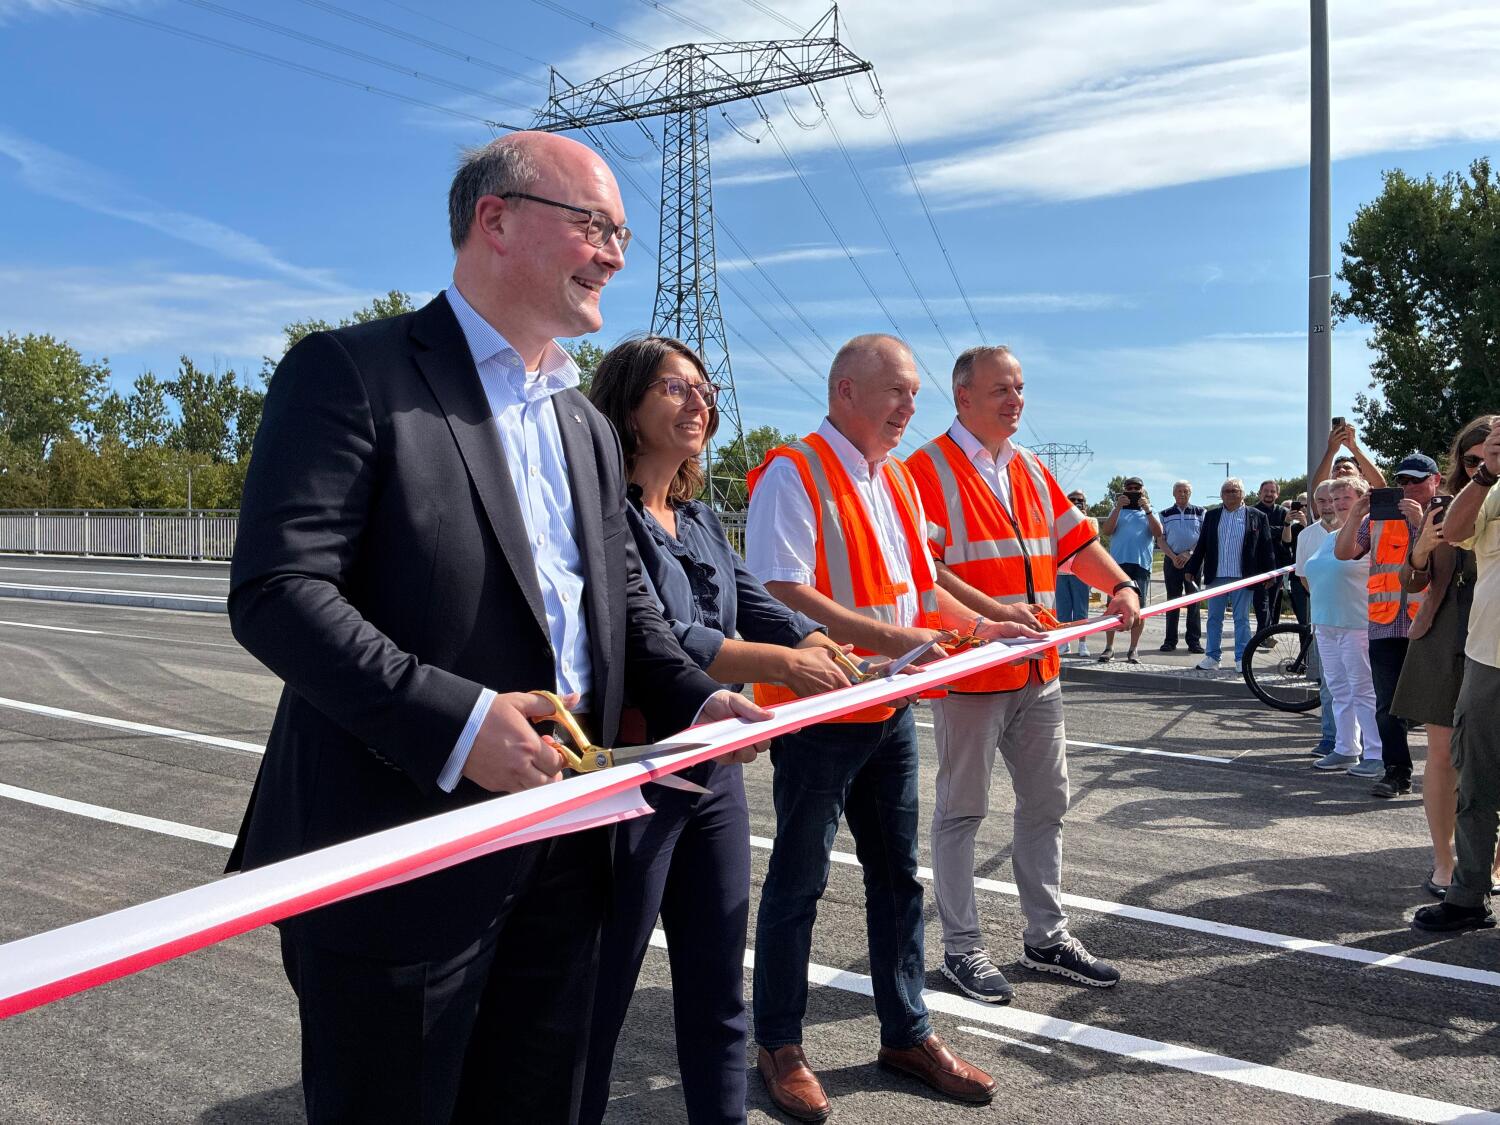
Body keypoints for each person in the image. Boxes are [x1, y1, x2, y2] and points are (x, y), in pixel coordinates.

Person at [225, 132, 768, 1125]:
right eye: (595, 226)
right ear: (497, 220)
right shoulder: (353, 371)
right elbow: (278, 590)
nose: (614, 254)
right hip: (398, 854)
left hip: (567, 853)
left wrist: (698, 696)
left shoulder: (585, 426)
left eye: (621, 233)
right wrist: (458, 724)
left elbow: (622, 610)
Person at [746, 334, 1042, 1121]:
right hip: (820, 716)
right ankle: (778, 1043)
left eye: (915, 394)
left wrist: (986, 620)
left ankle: (905, 1031)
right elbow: (780, 590)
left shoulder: (895, 480)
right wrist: (894, 643)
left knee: (895, 880)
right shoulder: (795, 470)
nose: (912, 407)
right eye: (897, 393)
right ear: (846, 391)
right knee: (799, 880)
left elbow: (924, 581)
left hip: (889, 712)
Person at [579, 336, 849, 1125]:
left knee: (716, 989)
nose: (699, 403)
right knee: (601, 995)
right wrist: (783, 661)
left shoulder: (696, 518)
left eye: (705, 390)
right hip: (635, 775)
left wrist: (812, 639)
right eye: (675, 388)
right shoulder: (609, 517)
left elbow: (753, 599)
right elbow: (661, 634)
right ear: (628, 404)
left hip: (714, 775)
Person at [907, 345, 1134, 1006]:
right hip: (972, 669)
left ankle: (1046, 935)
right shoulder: (924, 471)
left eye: (1021, 388)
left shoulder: (1030, 469)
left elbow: (1076, 545)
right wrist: (990, 617)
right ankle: (961, 948)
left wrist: (1118, 585)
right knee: (962, 809)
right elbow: (927, 571)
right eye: (1002, 389)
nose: (1016, 400)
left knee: (1046, 802)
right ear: (963, 399)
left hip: (1037, 671)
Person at [1394, 417, 1500, 884]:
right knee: (1440, 755)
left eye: (1488, 458)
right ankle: (1444, 859)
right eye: (1471, 460)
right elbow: (1413, 580)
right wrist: (1419, 550)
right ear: (1459, 464)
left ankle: (1492, 862)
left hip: (1492, 632)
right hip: (1444, 632)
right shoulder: (1443, 508)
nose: (1481, 465)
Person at [1334, 452, 1443, 794]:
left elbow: (1451, 558)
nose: (1409, 486)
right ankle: (1397, 772)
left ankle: (1449, 777)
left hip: (1429, 623)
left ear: (1435, 480)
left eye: (1417, 480)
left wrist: (1423, 520)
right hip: (1384, 624)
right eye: (1403, 481)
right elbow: (1343, 552)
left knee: (1438, 704)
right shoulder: (1379, 518)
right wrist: (1355, 515)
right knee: (1387, 705)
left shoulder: (1447, 513)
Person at [1302, 479, 1382, 775]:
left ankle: (1376, 753)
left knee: (1363, 689)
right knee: (1338, 689)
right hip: (1326, 623)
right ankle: (1346, 748)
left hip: (1357, 622)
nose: (1338, 503)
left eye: (1346, 497)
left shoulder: (1373, 532)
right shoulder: (1331, 536)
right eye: (1334, 498)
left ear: (1362, 498)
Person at [1190, 478, 1274, 671]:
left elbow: (1266, 546)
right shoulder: (1211, 516)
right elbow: (1202, 545)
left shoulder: (1257, 516)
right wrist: (1191, 569)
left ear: (1243, 494)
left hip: (1243, 577)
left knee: (1242, 619)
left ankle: (1241, 658)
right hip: (1216, 576)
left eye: (1234, 491)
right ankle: (1212, 657)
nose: (1230, 494)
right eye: (1227, 491)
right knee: (1213, 618)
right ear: (1221, 495)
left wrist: (1271, 574)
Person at [1293, 481, 1342, 758]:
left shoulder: (1358, 530)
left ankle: (1365, 743)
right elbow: (1303, 577)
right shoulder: (1307, 536)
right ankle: (1330, 738)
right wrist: (1325, 597)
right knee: (1329, 683)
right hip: (1324, 616)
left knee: (1360, 685)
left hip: (1357, 617)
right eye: (1320, 501)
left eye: (1331, 500)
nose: (1326, 506)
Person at [1097, 475, 1161, 663]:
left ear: (1143, 490)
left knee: (1139, 610)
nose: (1133, 492)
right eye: (1129, 489)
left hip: (1141, 565)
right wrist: (1117, 507)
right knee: (1113, 607)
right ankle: (1109, 647)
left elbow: (1158, 533)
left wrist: (1147, 509)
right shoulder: (1117, 510)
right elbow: (1107, 531)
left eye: (1137, 489)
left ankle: (1133, 649)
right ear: (1124, 490)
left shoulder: (1151, 510)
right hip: (1117, 566)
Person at [1157, 480, 1206, 653]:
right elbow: (1160, 539)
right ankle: (1170, 641)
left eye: (1185, 491)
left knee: (1193, 600)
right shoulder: (1163, 514)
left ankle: (1194, 641)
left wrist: (1189, 553)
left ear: (1190, 493)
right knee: (1172, 601)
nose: (1182, 494)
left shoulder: (1200, 512)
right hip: (1172, 561)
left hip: (1193, 561)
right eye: (1179, 491)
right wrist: (1173, 556)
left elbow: (1203, 537)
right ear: (1173, 493)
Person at [1056, 490, 1099, 656]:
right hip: (1061, 572)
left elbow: (1094, 542)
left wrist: (1080, 518)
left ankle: (1082, 643)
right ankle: (1064, 643)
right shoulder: (1060, 521)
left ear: (1085, 504)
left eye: (1079, 500)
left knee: (1081, 610)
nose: (1076, 502)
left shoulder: (1090, 520)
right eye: (1072, 500)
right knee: (1063, 610)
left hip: (1080, 572)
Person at [1252, 480, 1292, 630]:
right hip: (1257, 563)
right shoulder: (1252, 511)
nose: (1269, 494)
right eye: (1266, 491)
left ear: (1277, 494)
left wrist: (1266, 529)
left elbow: (1288, 534)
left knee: (1272, 601)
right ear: (1260, 493)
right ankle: (1263, 633)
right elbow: (1253, 534)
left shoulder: (1283, 512)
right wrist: (1279, 530)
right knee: (1260, 601)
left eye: (1272, 491)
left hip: (1278, 563)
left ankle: (1266, 632)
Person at [1314, 420, 1386, 489]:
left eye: (1347, 467)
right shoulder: (1327, 499)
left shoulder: (1367, 496)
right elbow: (1316, 489)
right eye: (1337, 468)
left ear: (1360, 476)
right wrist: (1331, 450)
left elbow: (1380, 485)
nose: (1341, 470)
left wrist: (1354, 447)